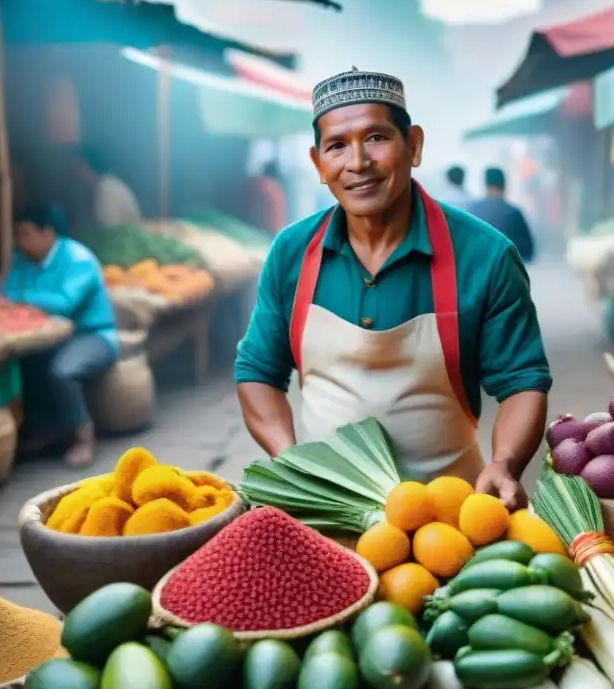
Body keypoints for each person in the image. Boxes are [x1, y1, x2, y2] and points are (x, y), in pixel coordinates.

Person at [234, 68, 552, 510]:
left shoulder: (486, 256)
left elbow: (522, 381)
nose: (358, 162)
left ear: (415, 145)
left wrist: (505, 462)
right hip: (326, 511)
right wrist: (291, 462)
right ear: (318, 163)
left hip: (451, 516)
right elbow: (257, 371)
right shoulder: (291, 253)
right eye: (337, 146)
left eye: (377, 138)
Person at [2, 206, 118, 467]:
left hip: (93, 336)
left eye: (25, 234)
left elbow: (65, 302)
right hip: (49, 339)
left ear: (48, 233)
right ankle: (44, 431)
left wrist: (20, 300)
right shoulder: (21, 260)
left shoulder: (78, 258)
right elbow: (4, 292)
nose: (20, 241)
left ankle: (83, 439)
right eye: (18, 234)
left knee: (63, 371)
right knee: (24, 364)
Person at [468, 168, 536, 264]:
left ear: (486, 185)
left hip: (479, 271)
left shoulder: (473, 210)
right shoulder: (514, 213)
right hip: (507, 270)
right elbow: (527, 250)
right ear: (504, 186)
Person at [75, 146, 142, 229]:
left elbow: (108, 230)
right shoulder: (107, 183)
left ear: (86, 166)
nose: (75, 171)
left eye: (77, 165)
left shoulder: (106, 187)